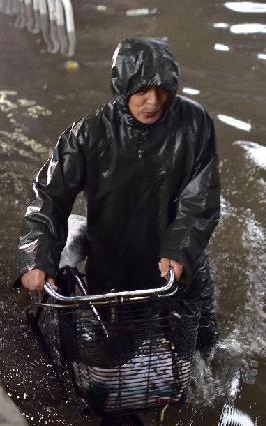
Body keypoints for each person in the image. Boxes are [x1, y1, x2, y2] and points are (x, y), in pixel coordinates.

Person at [15, 37, 221, 350]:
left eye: (161, 90)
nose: (153, 101)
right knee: (114, 355)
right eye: (141, 91)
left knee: (203, 350)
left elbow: (201, 197)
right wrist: (35, 257)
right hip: (114, 272)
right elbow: (49, 197)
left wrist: (180, 248)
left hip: (180, 267)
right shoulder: (87, 134)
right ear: (122, 89)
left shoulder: (195, 124)